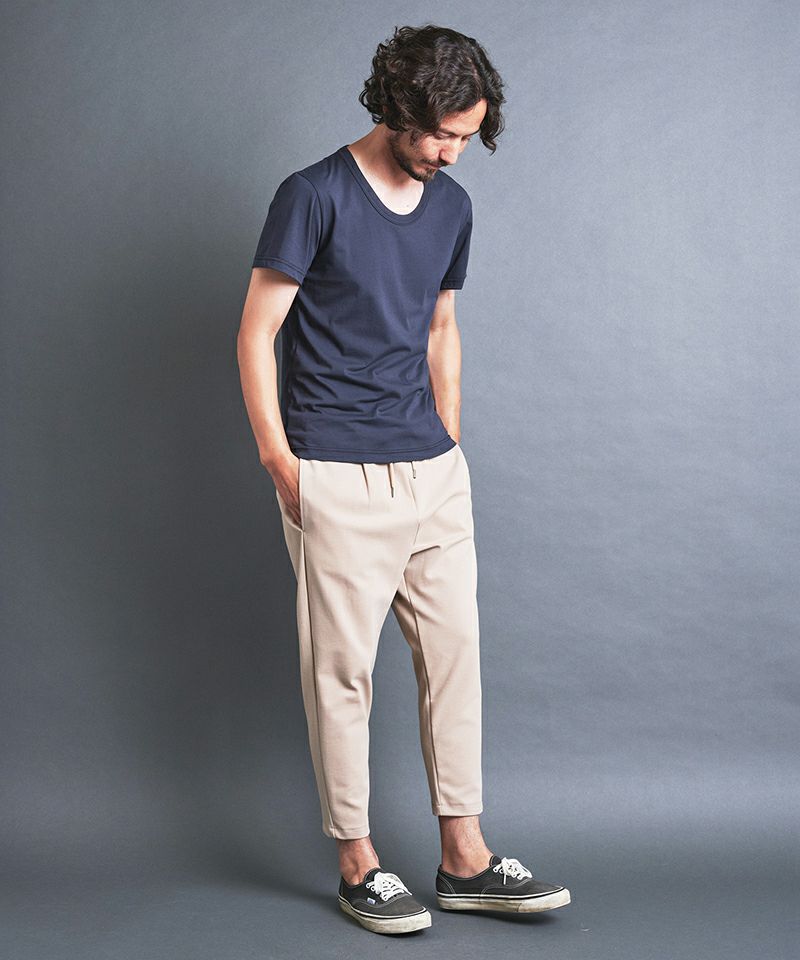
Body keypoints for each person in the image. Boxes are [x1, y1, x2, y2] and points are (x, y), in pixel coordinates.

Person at [238, 23, 571, 934]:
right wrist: (281, 462)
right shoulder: (313, 195)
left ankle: (465, 859)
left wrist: (448, 441)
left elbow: (439, 327)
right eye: (441, 135)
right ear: (396, 108)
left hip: (432, 472)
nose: (452, 152)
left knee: (455, 661)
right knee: (342, 674)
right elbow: (257, 332)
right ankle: (359, 865)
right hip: (334, 469)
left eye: (468, 136)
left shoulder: (452, 206)